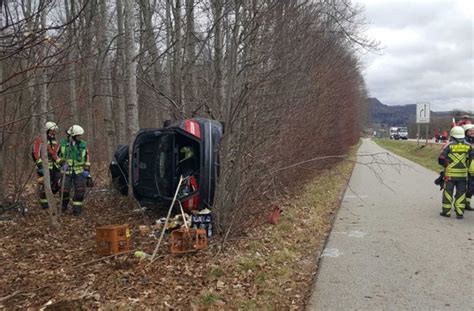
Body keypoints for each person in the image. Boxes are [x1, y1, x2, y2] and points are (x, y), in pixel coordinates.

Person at [437, 126, 474, 219]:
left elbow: (441, 159)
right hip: (463, 175)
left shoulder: (448, 145)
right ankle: (460, 213)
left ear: (452, 135)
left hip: (450, 175)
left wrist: (445, 165)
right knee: (461, 193)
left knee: (448, 193)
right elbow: (471, 161)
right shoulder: (469, 146)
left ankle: (446, 212)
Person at [57, 125, 91, 216]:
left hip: (79, 172)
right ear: (73, 136)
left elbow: (87, 158)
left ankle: (77, 211)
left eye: (81, 135)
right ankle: (63, 207)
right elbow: (55, 156)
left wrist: (87, 171)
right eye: (78, 135)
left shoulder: (84, 144)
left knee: (80, 192)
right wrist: (61, 163)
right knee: (64, 191)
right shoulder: (63, 143)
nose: (80, 137)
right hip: (66, 171)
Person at [32, 121, 61, 209]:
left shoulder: (55, 140)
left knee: (57, 184)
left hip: (54, 167)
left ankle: (51, 199)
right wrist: (40, 165)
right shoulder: (40, 139)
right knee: (45, 185)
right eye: (52, 130)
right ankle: (45, 206)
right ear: (48, 130)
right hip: (44, 167)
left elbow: (56, 154)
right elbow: (35, 153)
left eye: (55, 130)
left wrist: (61, 162)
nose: (54, 132)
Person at [463, 124, 474, 210]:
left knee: (471, 186)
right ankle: (460, 202)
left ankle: (467, 203)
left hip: (472, 167)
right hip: (465, 166)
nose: (472, 132)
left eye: (473, 130)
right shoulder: (463, 141)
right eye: (470, 130)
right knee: (464, 186)